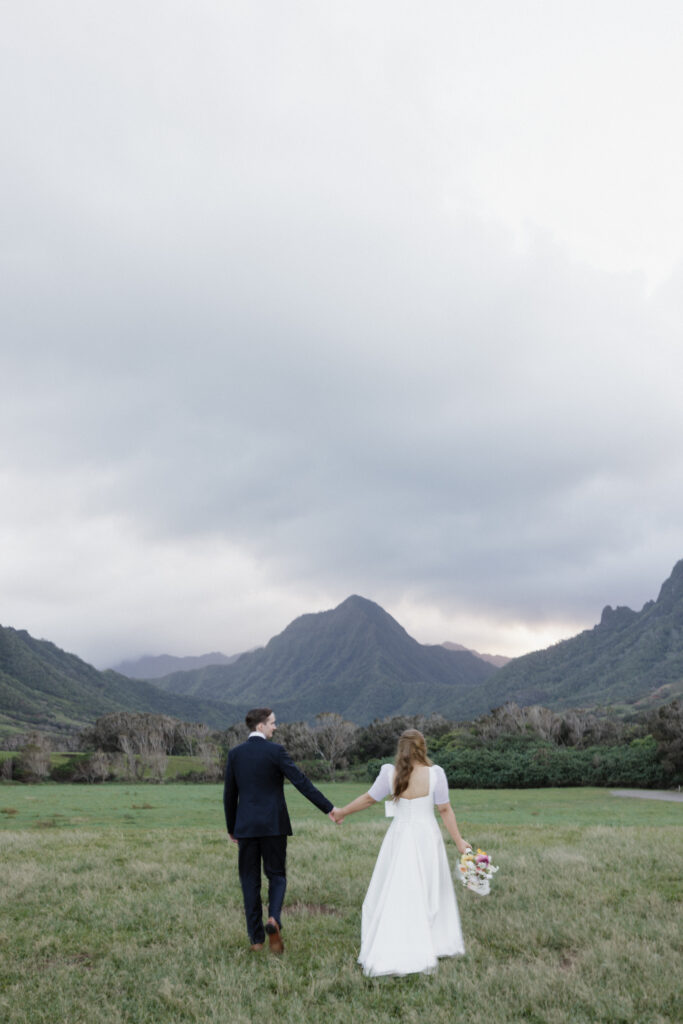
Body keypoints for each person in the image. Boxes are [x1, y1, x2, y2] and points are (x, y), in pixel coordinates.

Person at [331, 728, 470, 976]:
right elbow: (445, 810)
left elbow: (368, 799)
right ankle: (433, 940)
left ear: (401, 750)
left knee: (398, 887)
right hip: (427, 837)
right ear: (423, 748)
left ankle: (401, 937)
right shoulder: (436, 774)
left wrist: (342, 812)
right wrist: (459, 842)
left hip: (400, 837)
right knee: (428, 888)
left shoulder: (390, 773)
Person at [223, 707, 339, 953]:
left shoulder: (235, 754)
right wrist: (328, 808)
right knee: (276, 875)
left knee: (249, 881)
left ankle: (256, 941)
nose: (275, 727)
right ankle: (273, 918)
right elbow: (301, 781)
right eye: (272, 723)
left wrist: (231, 827)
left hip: (246, 827)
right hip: (274, 825)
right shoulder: (276, 752)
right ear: (260, 726)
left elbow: (229, 795)